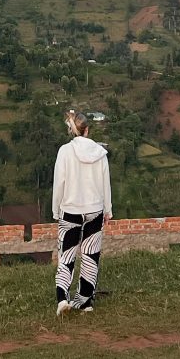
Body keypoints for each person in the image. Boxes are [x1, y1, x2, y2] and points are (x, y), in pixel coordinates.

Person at [51, 109, 112, 317]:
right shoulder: (99, 152)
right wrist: (108, 210)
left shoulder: (64, 152)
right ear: (87, 130)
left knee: (66, 255)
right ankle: (85, 301)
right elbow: (106, 185)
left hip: (70, 210)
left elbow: (59, 183)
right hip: (94, 209)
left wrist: (55, 209)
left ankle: (62, 299)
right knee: (90, 256)